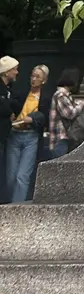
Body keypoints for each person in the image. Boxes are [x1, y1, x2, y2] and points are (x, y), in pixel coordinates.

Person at [5, 63, 48, 203]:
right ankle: (9, 203)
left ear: (44, 80)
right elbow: (11, 105)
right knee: (11, 176)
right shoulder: (22, 93)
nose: (34, 79)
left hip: (31, 136)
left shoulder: (45, 97)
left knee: (22, 176)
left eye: (38, 77)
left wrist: (33, 119)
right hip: (15, 134)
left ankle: (16, 207)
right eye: (32, 76)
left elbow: (46, 117)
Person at [46, 68, 84, 160]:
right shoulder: (61, 95)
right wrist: (83, 104)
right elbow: (70, 113)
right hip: (60, 137)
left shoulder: (66, 95)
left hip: (63, 138)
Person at [0, 56, 19, 204]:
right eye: (14, 69)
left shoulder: (8, 90)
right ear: (6, 72)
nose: (17, 72)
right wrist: (8, 112)